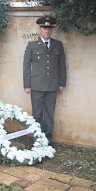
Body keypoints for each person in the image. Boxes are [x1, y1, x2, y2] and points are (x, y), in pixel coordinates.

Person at [23, 16, 67, 144]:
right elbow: (26, 66)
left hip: (52, 85)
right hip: (36, 85)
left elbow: (62, 65)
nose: (46, 31)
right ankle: (38, 138)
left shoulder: (58, 44)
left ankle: (48, 139)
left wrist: (62, 83)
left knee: (49, 114)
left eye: (49, 28)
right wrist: (27, 85)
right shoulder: (32, 45)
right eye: (44, 28)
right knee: (37, 114)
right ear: (39, 29)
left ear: (52, 30)